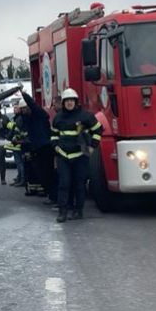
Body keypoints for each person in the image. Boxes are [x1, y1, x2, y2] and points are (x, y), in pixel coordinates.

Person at [51, 88, 104, 222]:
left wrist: (93, 146)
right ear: (63, 103)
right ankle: (62, 212)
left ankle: (78, 211)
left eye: (72, 100)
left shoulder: (85, 116)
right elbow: (53, 135)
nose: (69, 103)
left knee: (79, 184)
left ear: (76, 102)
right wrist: (55, 147)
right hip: (63, 156)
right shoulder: (58, 118)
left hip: (80, 156)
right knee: (64, 184)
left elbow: (98, 129)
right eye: (67, 101)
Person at [19, 92, 54, 197]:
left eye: (25, 108)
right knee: (41, 173)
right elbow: (29, 135)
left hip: (45, 147)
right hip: (37, 149)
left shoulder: (38, 114)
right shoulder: (27, 119)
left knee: (48, 173)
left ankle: (52, 195)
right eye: (22, 109)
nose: (23, 111)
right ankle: (49, 194)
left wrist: (23, 93)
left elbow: (32, 104)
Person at [5, 100, 29, 187]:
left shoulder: (19, 119)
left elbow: (17, 131)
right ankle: (19, 178)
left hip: (19, 145)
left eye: (16, 107)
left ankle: (22, 180)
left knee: (20, 163)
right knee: (18, 163)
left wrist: (14, 138)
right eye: (14, 108)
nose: (14, 109)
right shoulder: (16, 118)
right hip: (17, 145)